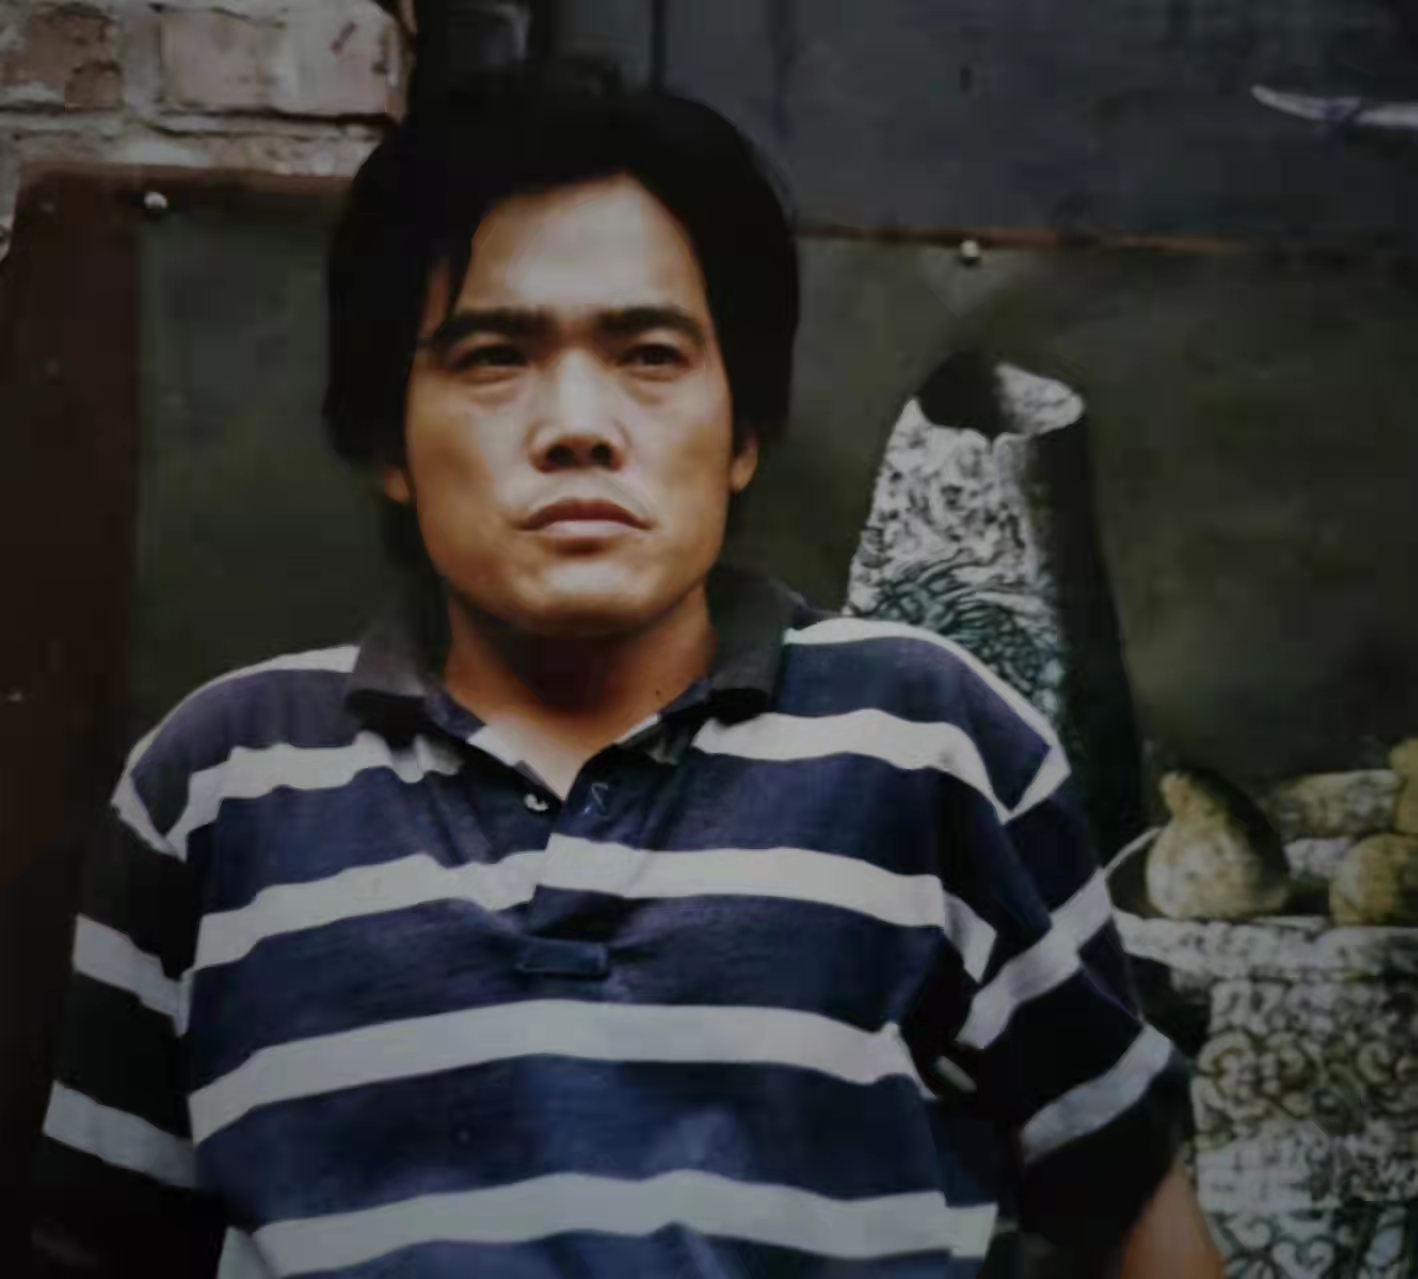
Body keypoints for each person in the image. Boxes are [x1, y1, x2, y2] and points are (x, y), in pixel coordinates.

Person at [31, 74, 1222, 1279]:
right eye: (493, 356)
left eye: (649, 353)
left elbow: (1133, 1214)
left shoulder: (930, 746)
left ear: (741, 432)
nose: (577, 425)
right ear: (390, 438)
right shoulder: (218, 784)